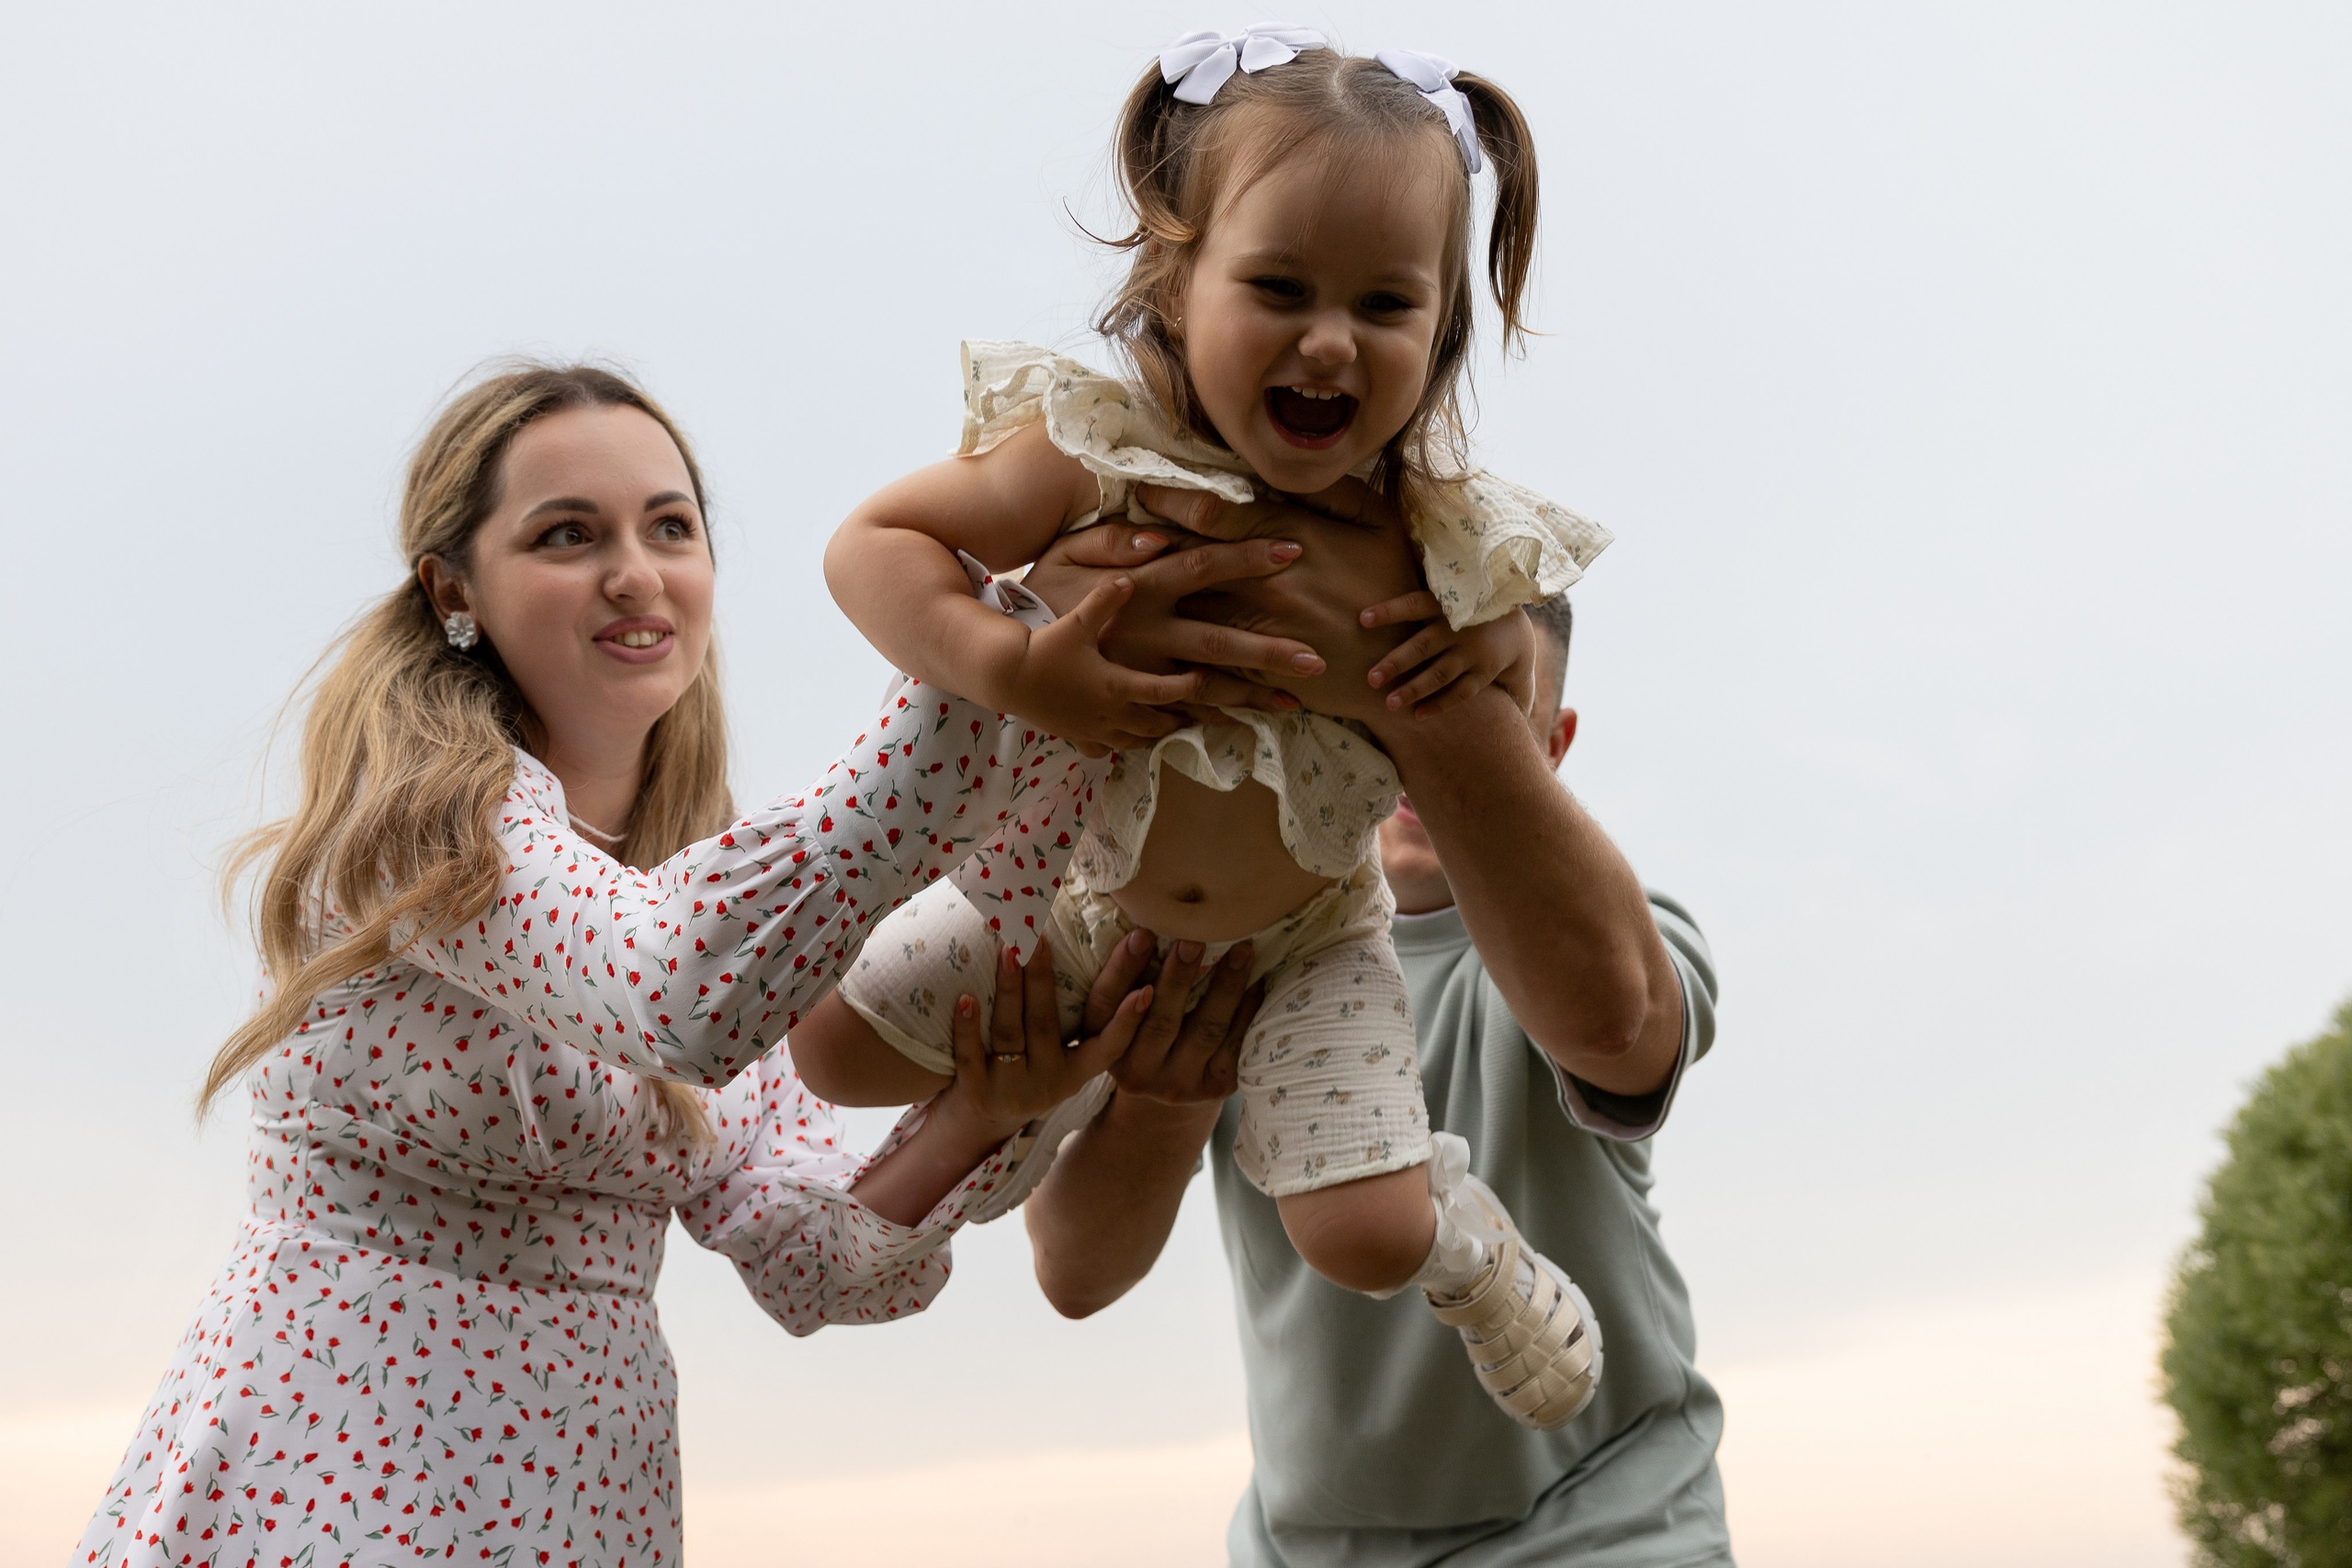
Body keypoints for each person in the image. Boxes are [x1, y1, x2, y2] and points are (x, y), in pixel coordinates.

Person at [74, 362, 1274, 1566]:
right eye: (567, 533)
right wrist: (994, 660)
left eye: (670, 527)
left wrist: (981, 1108)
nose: (635, 571)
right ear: (455, 590)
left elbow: (814, 1262)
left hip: (582, 1500)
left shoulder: (705, 883)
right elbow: (674, 992)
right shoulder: (422, 834)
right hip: (330, 1484)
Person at [789, 29, 1614, 1432]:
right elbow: (873, 543)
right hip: (1075, 902)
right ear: (1177, 282)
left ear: (1441, 334)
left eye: (1388, 305)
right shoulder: (1098, 450)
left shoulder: (1439, 532)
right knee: (826, 1048)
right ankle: (1045, 1092)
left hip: (1302, 942)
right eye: (1278, 287)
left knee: (1357, 1233)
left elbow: (1514, 702)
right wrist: (1017, 662)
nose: (1330, 339)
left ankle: (1463, 1228)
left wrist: (1486, 645)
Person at [1021, 501, 1731, 1566]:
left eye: (1480, 690)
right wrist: (1166, 1108)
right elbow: (1074, 1274)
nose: (1395, 720)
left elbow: (1619, 1022)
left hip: (1610, 1526)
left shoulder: (1613, 927)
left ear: (1551, 739)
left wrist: (1434, 712)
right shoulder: (1225, 929)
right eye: (1359, 686)